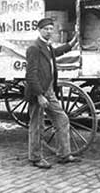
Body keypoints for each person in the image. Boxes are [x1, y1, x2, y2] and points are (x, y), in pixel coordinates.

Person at [25, 17, 81, 169]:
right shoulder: (34, 48)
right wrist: (39, 95)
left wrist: (71, 44)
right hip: (39, 93)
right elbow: (30, 75)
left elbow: (56, 52)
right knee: (37, 126)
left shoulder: (47, 46)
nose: (49, 31)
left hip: (49, 91)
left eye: (51, 29)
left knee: (62, 119)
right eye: (46, 29)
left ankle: (64, 154)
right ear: (39, 30)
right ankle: (35, 158)